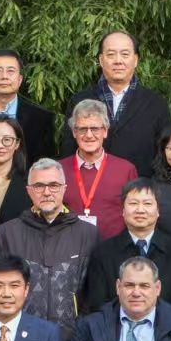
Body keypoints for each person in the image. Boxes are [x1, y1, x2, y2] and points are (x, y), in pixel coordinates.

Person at [0, 158, 99, 336]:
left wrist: (82, 333)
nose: (46, 192)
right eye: (39, 186)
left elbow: (95, 294)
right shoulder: (7, 233)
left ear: (64, 188)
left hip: (73, 339)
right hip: (21, 337)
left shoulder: (88, 234)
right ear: (29, 191)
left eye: (54, 185)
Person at [84, 180, 171, 319]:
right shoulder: (103, 253)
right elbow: (98, 304)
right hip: (116, 328)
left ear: (158, 211)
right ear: (123, 211)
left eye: (147, 204)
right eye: (133, 203)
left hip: (167, 328)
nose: (140, 210)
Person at [65, 30, 171, 172]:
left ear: (135, 60)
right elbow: (68, 151)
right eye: (111, 54)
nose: (118, 61)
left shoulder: (156, 104)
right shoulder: (79, 101)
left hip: (140, 184)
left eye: (125, 54)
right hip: (88, 183)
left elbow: (165, 155)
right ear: (101, 60)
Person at [61, 99, 139, 240]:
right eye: (82, 129)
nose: (89, 135)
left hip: (113, 249)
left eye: (95, 129)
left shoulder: (126, 170)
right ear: (74, 132)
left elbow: (135, 214)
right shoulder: (57, 170)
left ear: (105, 131)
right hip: (67, 248)